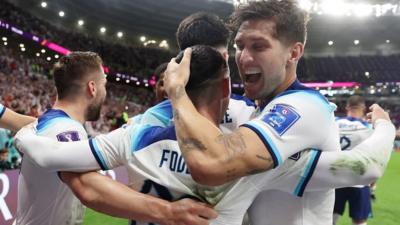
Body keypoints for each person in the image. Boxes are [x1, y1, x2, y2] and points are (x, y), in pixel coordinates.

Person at [15, 45, 396, 225]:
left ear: (169, 86)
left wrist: (25, 134)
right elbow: (363, 167)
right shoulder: (250, 147)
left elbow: (65, 166)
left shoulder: (140, 129)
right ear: (227, 89)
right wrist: (384, 125)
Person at [160, 1, 376, 225]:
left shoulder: (305, 107)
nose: (243, 58)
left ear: (293, 52)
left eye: (258, 46)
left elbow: (214, 164)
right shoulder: (258, 108)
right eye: (240, 45)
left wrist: (177, 92)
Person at [333, 96, 374, 225]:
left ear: (346, 108)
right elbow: (374, 157)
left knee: (330, 218)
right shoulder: (368, 128)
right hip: (359, 181)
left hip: (333, 180)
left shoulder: (333, 123)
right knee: (359, 221)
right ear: (364, 109)